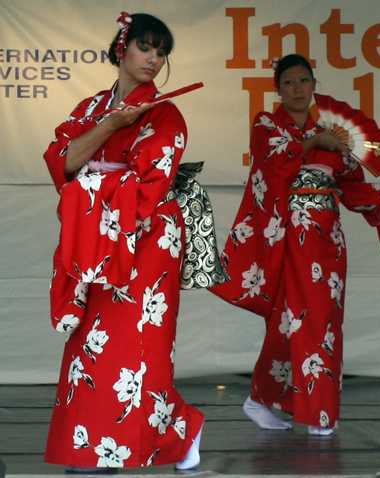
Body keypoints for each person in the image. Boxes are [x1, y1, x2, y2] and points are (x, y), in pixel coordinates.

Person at [210, 54, 380, 435]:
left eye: (304, 81)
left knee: (315, 321)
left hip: (327, 240)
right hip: (288, 236)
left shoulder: (333, 136)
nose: (297, 89)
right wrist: (310, 142)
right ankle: (315, 415)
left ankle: (260, 398)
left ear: (314, 85)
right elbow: (271, 163)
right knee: (298, 321)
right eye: (288, 82)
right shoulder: (267, 124)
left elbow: (354, 190)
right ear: (277, 89)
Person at [43, 12, 212, 472]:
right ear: (122, 49)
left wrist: (87, 183)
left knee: (138, 348)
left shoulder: (166, 113)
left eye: (162, 52)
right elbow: (61, 162)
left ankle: (171, 432)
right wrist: (111, 126)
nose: (154, 59)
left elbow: (148, 184)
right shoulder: (89, 108)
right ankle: (90, 445)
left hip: (146, 235)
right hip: (95, 234)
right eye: (145, 47)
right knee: (90, 344)